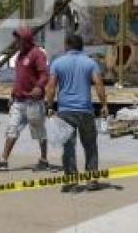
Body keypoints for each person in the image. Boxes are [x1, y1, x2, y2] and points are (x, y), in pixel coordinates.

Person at [45, 34, 108, 193]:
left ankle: (71, 180)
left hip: (65, 111)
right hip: (85, 110)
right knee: (90, 145)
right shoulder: (90, 62)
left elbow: (51, 87)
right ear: (81, 47)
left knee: (68, 147)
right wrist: (104, 105)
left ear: (67, 45)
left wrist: (50, 106)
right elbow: (99, 83)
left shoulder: (57, 63)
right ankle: (92, 179)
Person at [0, 28, 50, 171]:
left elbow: (45, 74)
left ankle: (44, 160)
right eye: (16, 39)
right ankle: (3, 161)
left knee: (39, 132)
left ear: (26, 39)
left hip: (34, 102)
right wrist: (13, 95)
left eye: (19, 39)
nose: (16, 41)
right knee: (12, 129)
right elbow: (19, 78)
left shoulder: (37, 54)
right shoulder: (20, 56)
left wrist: (39, 87)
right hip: (19, 101)